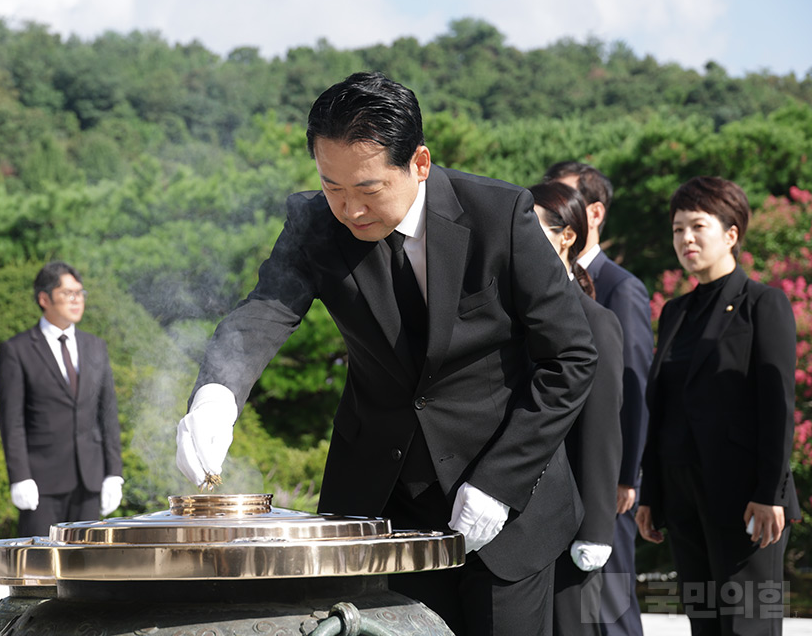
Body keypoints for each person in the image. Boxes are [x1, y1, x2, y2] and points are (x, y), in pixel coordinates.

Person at [175, 71, 598, 635]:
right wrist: (215, 397)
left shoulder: (500, 215)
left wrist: (499, 484)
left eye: (368, 189)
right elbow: (264, 312)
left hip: (505, 498)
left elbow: (570, 358)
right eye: (332, 187)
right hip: (383, 506)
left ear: (419, 163)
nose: (350, 209)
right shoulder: (316, 224)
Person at [636, 176, 799, 635]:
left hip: (746, 500)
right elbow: (662, 408)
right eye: (677, 229)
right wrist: (652, 496)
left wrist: (770, 493)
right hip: (683, 496)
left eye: (698, 226)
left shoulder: (762, 304)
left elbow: (777, 405)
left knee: (748, 624)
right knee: (703, 623)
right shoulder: (676, 312)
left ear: (731, 234)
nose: (685, 238)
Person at [544, 161, 653, 635]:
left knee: (610, 608)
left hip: (606, 483)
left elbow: (630, 388)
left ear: (591, 214)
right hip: (561, 490)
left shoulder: (620, 288)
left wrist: (624, 477)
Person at [530, 182, 624, 636]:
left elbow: (602, 432)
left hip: (570, 522)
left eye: (531, 227)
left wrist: (597, 530)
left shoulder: (596, 321)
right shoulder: (508, 313)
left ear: (567, 236)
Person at [0, 261, 124, 537]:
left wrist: (114, 473)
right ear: (44, 299)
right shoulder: (17, 350)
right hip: (41, 483)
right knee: (41, 561)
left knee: (87, 560)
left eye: (80, 293)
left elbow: (108, 414)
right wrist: (20, 476)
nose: (76, 300)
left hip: (90, 480)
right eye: (67, 293)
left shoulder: (95, 346)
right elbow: (11, 421)